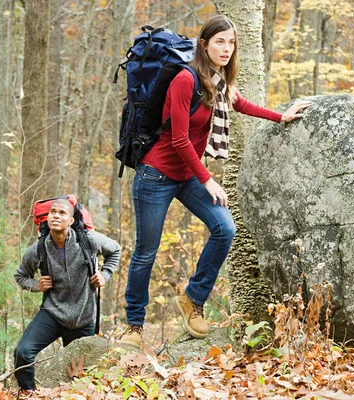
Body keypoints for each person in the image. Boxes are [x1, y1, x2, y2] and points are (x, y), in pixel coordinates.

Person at [118, 15, 311, 347]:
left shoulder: (216, 82)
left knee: (225, 228)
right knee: (146, 252)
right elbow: (179, 139)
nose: (226, 48)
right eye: (219, 41)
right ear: (204, 44)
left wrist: (281, 116)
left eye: (231, 42)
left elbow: (241, 104)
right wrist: (207, 179)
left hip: (185, 175)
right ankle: (134, 327)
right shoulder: (184, 79)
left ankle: (193, 299)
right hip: (156, 174)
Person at [13, 198, 121, 391]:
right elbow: (20, 276)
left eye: (62, 213)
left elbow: (115, 250)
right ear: (46, 218)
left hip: (84, 316)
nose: (56, 215)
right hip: (53, 313)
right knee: (23, 352)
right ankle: (29, 393)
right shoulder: (38, 249)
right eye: (52, 212)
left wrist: (104, 274)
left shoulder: (89, 241)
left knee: (80, 373)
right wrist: (36, 285)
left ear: (71, 220)